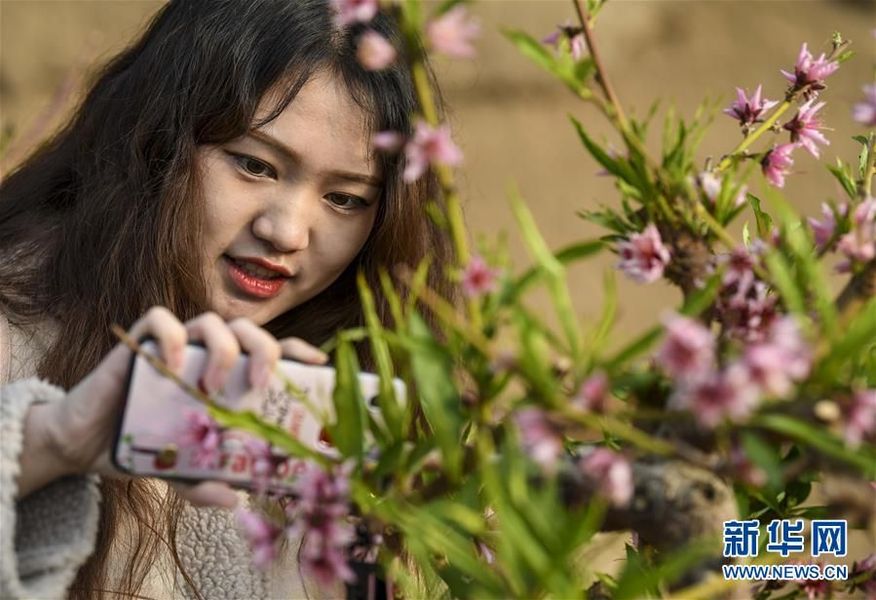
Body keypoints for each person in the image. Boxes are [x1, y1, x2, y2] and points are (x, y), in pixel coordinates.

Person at [0, 0, 455, 597]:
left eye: (346, 199)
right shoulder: (15, 332)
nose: (287, 232)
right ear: (155, 141)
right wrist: (52, 444)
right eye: (255, 165)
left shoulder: (350, 387)